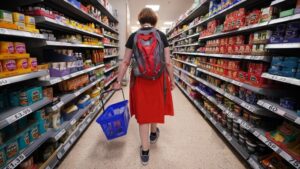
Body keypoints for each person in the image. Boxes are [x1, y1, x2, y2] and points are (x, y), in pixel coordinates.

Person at [113, 7, 175, 165]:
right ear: (154, 21)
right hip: (158, 78)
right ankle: (153, 134)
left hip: (140, 80)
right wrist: (172, 80)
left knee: (144, 113)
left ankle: (145, 152)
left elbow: (125, 61)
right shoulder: (161, 35)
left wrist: (118, 80)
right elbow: (167, 62)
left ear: (140, 21)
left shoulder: (133, 36)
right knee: (154, 106)